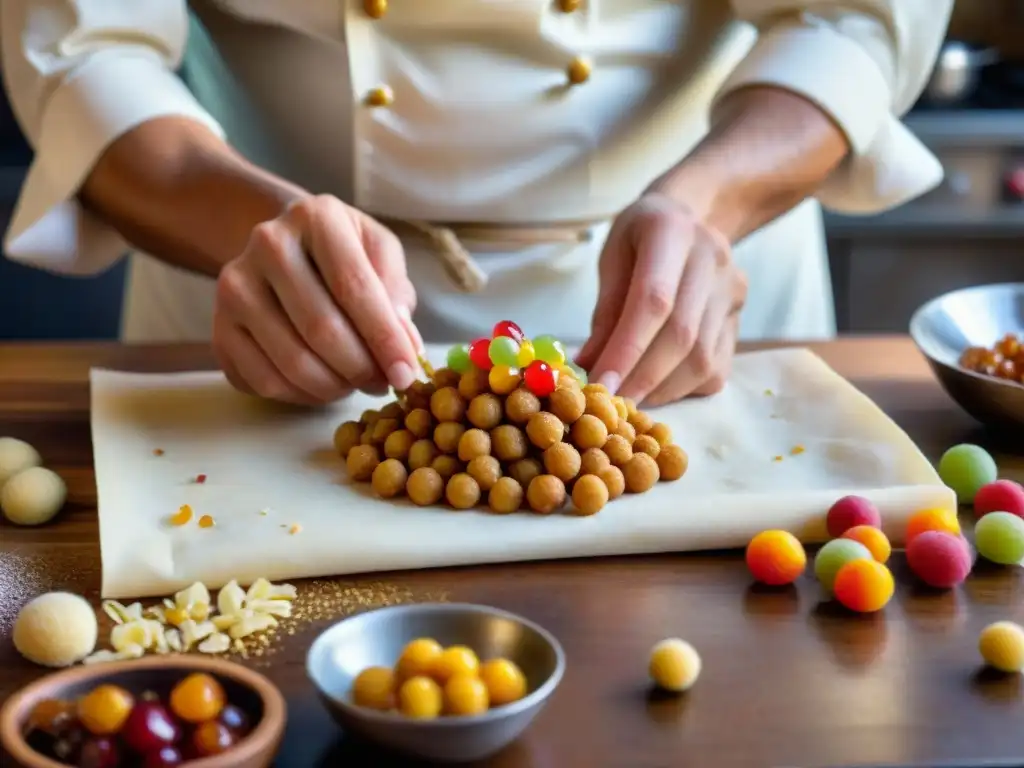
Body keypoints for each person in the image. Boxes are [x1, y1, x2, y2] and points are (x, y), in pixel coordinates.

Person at [2, 1, 951, 407]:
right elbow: (87, 53)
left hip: (698, 283)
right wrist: (253, 233)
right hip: (260, 294)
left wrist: (709, 204)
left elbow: (853, 19)